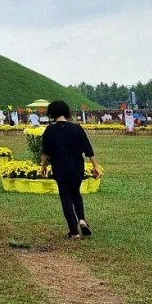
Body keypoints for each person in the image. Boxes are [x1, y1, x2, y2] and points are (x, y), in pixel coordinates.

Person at [39, 101, 100, 239]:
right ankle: (82, 220)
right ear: (67, 112)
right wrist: (95, 166)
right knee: (76, 194)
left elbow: (45, 151)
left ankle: (74, 232)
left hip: (60, 168)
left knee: (66, 198)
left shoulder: (50, 130)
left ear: (52, 114)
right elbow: (88, 149)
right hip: (76, 167)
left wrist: (42, 165)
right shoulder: (77, 128)